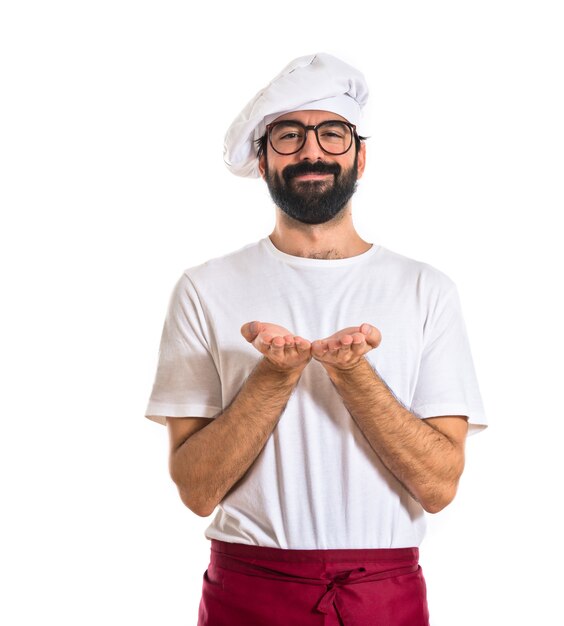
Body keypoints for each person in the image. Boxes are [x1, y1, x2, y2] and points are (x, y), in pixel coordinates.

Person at [145, 52, 487, 626]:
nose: (312, 151)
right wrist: (273, 378)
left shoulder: (426, 290)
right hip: (249, 593)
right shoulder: (204, 288)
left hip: (383, 595)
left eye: (332, 133)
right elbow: (197, 491)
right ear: (261, 161)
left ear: (359, 155)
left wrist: (354, 375)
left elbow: (439, 485)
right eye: (288, 136)